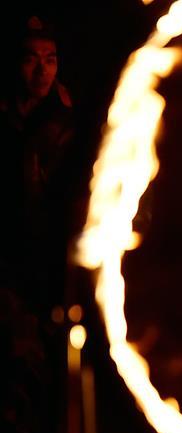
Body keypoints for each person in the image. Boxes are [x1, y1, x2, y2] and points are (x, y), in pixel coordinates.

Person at [0, 15, 74, 314]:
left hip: (44, 257)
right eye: (31, 60)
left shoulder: (67, 122)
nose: (42, 71)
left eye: (51, 60)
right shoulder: (5, 112)